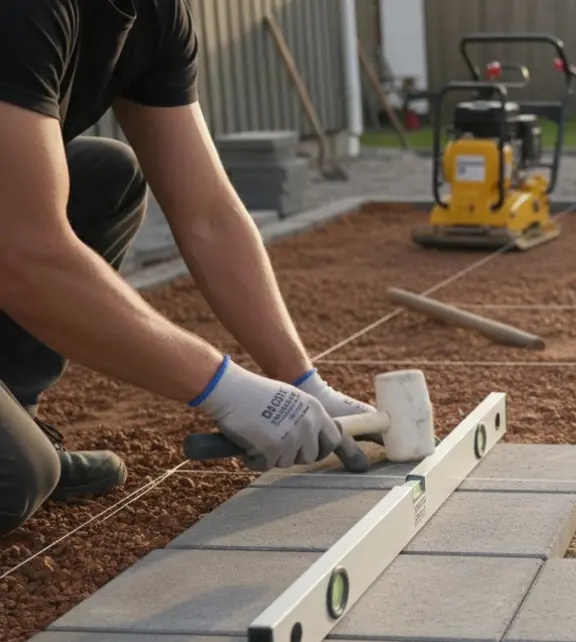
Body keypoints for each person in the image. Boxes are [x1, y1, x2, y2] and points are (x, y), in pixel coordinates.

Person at [0, 0, 378, 537]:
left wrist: (303, 381)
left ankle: (17, 416)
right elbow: (25, 253)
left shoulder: (155, 15)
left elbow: (210, 217)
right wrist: (225, 388)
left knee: (104, 177)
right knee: (12, 479)